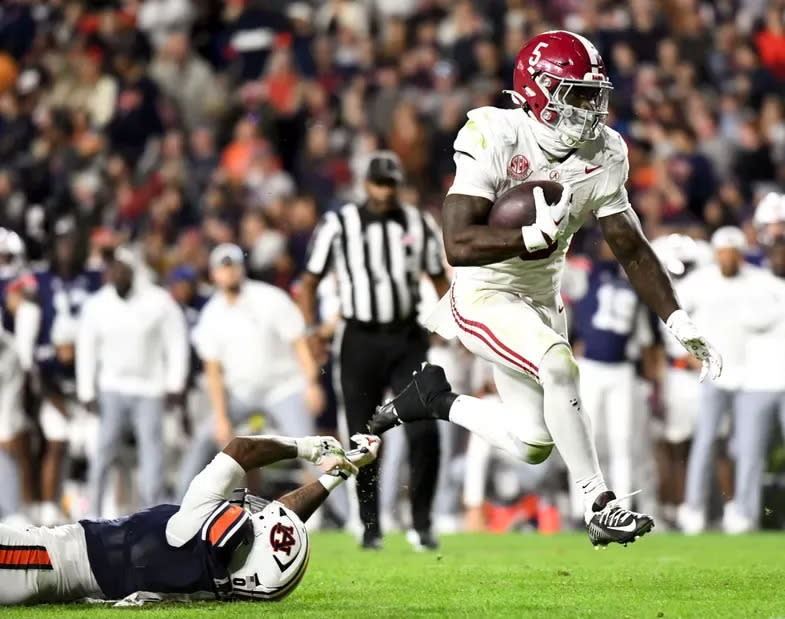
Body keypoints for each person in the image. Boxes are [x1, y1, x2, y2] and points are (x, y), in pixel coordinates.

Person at [369, 30, 722, 548]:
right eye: (576, 93)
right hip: (484, 291)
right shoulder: (495, 132)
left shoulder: (606, 151)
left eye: (593, 94)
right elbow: (458, 243)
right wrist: (524, 236)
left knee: (532, 441)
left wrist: (677, 319)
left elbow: (631, 246)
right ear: (537, 90)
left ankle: (436, 399)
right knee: (559, 363)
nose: (589, 108)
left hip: (540, 297)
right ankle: (600, 504)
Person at [0, 433, 379, 605]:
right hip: (56, 575)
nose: (252, 514)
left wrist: (309, 447)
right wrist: (336, 474)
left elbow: (241, 449)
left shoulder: (190, 526)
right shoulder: (228, 579)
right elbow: (278, 528)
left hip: (44, 559)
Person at [298, 151, 451, 550]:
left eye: (390, 184)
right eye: (378, 184)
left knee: (425, 430)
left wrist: (452, 326)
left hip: (406, 337)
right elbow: (309, 281)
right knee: (364, 437)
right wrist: (312, 329)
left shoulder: (418, 222)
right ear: (366, 184)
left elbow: (438, 278)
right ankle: (370, 527)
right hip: (359, 338)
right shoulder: (339, 223)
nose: (384, 192)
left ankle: (422, 523)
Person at [179, 244, 325, 497]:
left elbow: (298, 341)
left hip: (283, 388)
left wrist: (312, 383)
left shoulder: (269, 298)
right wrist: (222, 416)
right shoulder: (212, 314)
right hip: (241, 394)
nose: (230, 272)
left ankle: (351, 516)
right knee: (204, 438)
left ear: (241, 268)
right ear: (214, 274)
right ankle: (174, 509)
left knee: (312, 447)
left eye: (234, 266)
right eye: (224, 268)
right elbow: (213, 372)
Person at [676, 227, 781, 534]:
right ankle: (693, 508)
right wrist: (686, 353)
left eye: (733, 253)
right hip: (714, 373)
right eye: (723, 252)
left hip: (751, 376)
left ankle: (743, 511)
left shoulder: (758, 282)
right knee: (705, 441)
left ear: (741, 254)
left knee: (747, 449)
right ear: (716, 253)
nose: (727, 258)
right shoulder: (700, 281)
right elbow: (669, 312)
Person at [77, 247, 189, 516]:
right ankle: (92, 511)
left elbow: (176, 341)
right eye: (113, 268)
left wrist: (175, 383)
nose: (117, 273)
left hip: (149, 388)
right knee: (103, 450)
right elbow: (87, 348)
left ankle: (155, 512)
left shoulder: (158, 301)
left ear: (133, 270)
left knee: (153, 454)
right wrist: (86, 390)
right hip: (111, 387)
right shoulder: (97, 305)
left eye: (122, 268)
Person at [570, 239, 653, 516]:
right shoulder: (587, 272)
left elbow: (645, 332)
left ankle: (623, 507)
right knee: (585, 440)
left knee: (622, 440)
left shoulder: (638, 277)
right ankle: (581, 507)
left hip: (623, 369)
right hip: (590, 366)